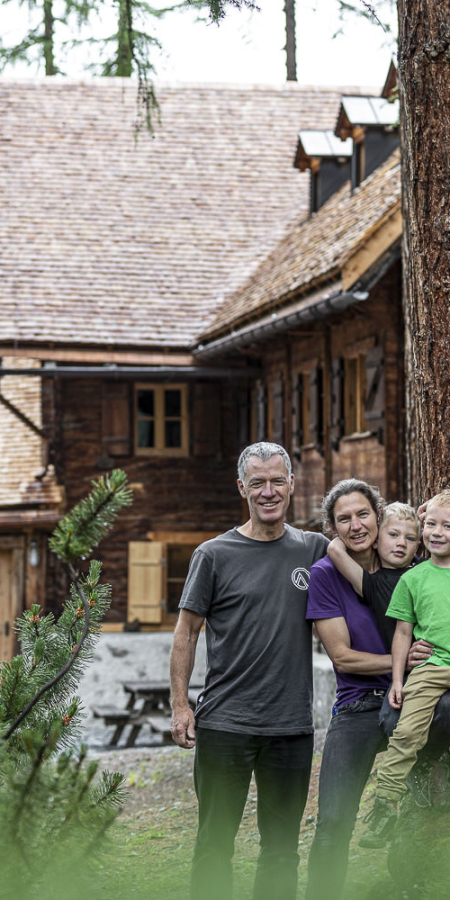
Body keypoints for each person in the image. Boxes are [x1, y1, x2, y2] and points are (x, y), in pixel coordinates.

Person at [169, 441, 328, 900]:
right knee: (214, 845)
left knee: (281, 851)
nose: (268, 491)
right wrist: (181, 706)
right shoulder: (213, 555)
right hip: (224, 725)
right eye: (257, 482)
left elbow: (370, 573)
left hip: (290, 727)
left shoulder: (314, 549)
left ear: (292, 485)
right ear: (242, 488)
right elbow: (186, 633)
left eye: (277, 481)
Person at [305, 479, 450, 900]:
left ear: (379, 515)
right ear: (333, 526)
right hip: (357, 706)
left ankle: (407, 813)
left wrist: (428, 513)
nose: (355, 525)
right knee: (332, 821)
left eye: (363, 514)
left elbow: (434, 528)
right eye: (343, 519)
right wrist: (403, 662)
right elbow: (343, 657)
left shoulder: (411, 562)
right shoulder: (327, 573)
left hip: (420, 700)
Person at [360, 489, 450, 849]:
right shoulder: (413, 579)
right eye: (430, 524)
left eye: (448, 525)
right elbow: (402, 633)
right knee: (406, 732)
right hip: (429, 668)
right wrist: (398, 680)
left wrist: (437, 505)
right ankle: (386, 804)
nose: (437, 532)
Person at [327, 501, 422, 652]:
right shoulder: (373, 584)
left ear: (417, 545)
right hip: (409, 667)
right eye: (393, 535)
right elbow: (334, 550)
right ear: (376, 540)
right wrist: (354, 531)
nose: (402, 543)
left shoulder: (425, 567)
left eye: (410, 538)